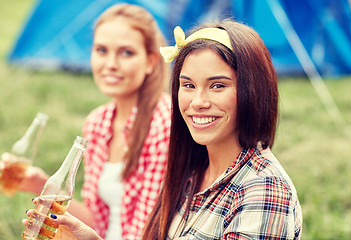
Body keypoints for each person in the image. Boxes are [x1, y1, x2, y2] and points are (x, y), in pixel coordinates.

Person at [24, 19, 303, 239]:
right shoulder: (192, 168)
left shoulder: (262, 189)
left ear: (253, 90)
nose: (198, 102)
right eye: (188, 85)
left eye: (218, 85)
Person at [19, 3, 171, 240]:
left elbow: (148, 233)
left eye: (126, 52)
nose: (110, 63)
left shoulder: (164, 123)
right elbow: (97, 221)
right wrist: (39, 183)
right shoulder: (98, 122)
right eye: (101, 50)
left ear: (151, 61)